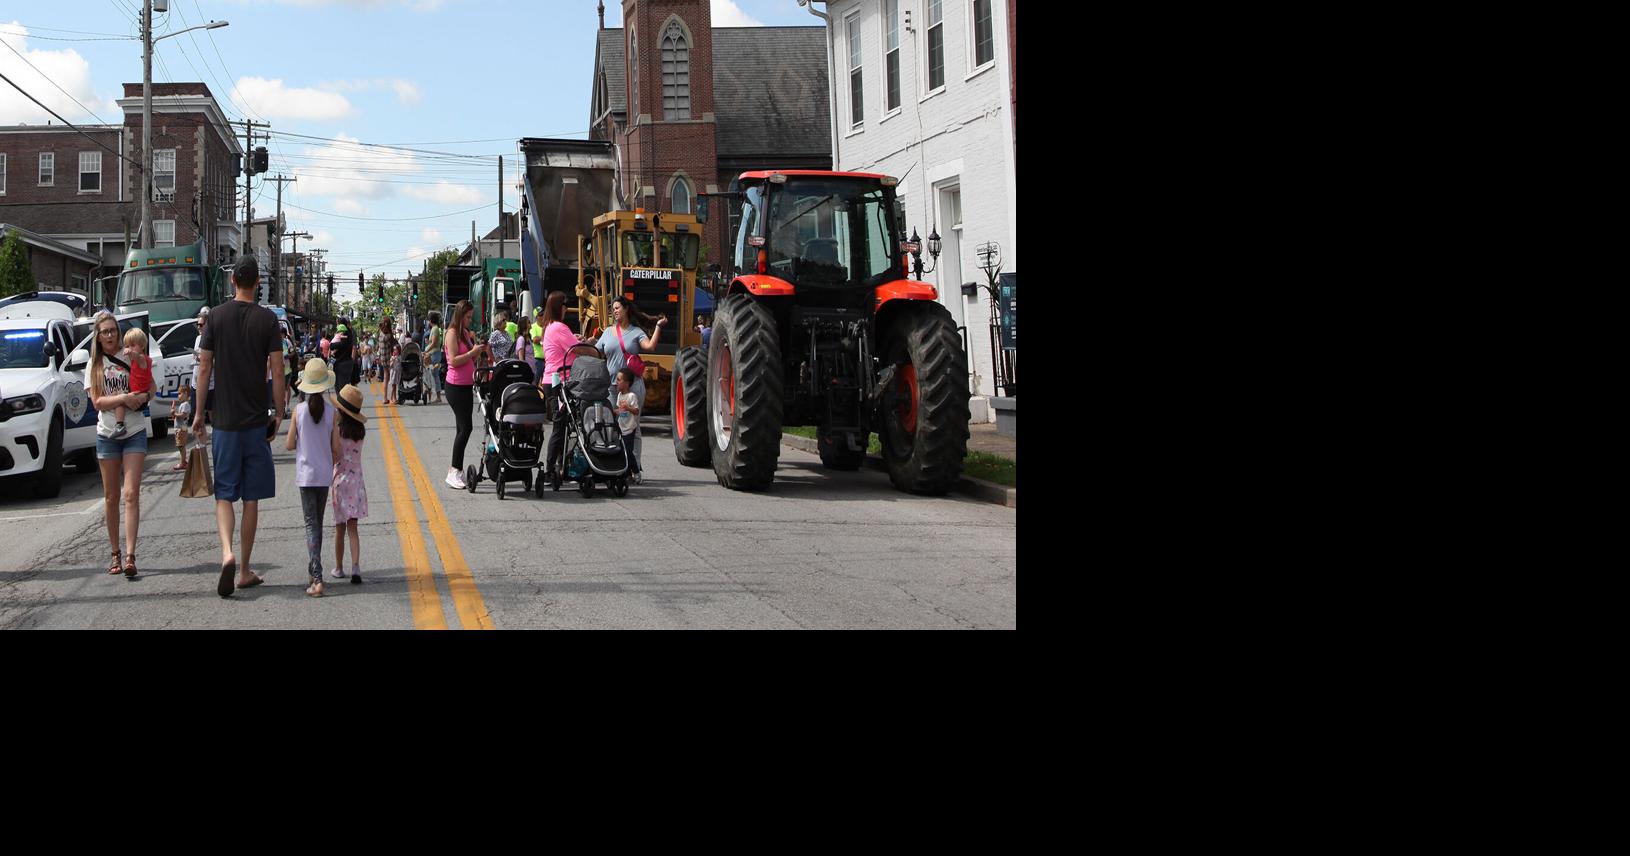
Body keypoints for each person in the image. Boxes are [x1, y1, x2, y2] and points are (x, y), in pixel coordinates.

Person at [192, 256, 286, 599]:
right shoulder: (268, 320)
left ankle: (226, 553)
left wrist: (200, 412)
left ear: (233, 281)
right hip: (255, 422)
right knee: (252, 498)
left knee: (224, 494)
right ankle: (244, 569)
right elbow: (277, 369)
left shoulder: (214, 317)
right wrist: (278, 412)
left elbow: (204, 370)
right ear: (257, 282)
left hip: (225, 422)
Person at [86, 310, 150, 578]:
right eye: (106, 332)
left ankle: (131, 555)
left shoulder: (130, 355)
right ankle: (115, 552)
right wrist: (125, 397)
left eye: (114, 330)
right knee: (111, 496)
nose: (111, 335)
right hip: (107, 434)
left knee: (131, 494)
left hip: (134, 430)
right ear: (98, 337)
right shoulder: (94, 365)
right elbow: (98, 402)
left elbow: (151, 387)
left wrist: (141, 397)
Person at [596, 296, 667, 477]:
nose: (615, 311)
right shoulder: (608, 332)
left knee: (632, 426)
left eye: (618, 307)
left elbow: (650, 347)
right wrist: (585, 341)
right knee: (612, 424)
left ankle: (634, 467)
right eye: (613, 309)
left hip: (632, 388)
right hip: (612, 388)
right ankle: (616, 463)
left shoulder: (636, 332)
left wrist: (658, 327)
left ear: (626, 309)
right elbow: (596, 350)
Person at [285, 358, 339, 598]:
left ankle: (317, 577)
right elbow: (336, 450)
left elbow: (288, 445)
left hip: (306, 475)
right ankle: (313, 568)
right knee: (317, 522)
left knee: (311, 524)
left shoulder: (299, 411)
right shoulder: (332, 412)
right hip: (324, 474)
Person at [539, 291, 585, 479]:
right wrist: (592, 348)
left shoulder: (548, 326)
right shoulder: (559, 327)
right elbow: (576, 349)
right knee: (562, 426)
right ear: (560, 307)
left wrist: (576, 340)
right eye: (565, 305)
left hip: (552, 380)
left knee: (564, 425)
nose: (567, 309)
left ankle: (560, 465)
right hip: (561, 381)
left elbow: (569, 345)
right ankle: (551, 469)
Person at [442, 300, 488, 489]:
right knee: (465, 428)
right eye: (468, 317)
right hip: (455, 386)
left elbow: (471, 356)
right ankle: (454, 470)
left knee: (462, 428)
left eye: (471, 317)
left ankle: (455, 471)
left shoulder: (465, 334)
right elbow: (453, 360)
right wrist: (472, 353)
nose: (470, 320)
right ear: (460, 316)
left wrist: (479, 350)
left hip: (466, 384)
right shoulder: (452, 333)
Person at [328, 383, 369, 584]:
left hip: (340, 482)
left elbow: (335, 456)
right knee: (353, 528)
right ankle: (356, 566)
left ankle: (338, 567)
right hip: (356, 482)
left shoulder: (338, 431)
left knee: (339, 528)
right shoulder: (360, 433)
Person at [112, 327, 153, 439]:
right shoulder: (137, 359)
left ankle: (119, 425)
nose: (129, 348)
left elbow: (137, 357)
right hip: (137, 392)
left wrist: (130, 352)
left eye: (133, 345)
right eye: (127, 346)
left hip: (139, 395)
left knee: (118, 400)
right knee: (119, 397)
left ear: (142, 346)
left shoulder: (142, 359)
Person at [615, 367, 643, 483]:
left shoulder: (632, 396)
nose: (616, 382)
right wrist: (613, 411)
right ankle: (626, 474)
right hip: (622, 427)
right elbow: (620, 411)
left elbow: (636, 411)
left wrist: (628, 408)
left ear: (626, 383)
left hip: (630, 429)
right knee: (622, 452)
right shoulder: (620, 396)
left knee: (628, 452)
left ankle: (636, 472)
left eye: (618, 380)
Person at [171, 382, 194, 471]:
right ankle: (183, 461)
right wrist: (174, 414)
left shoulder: (185, 405)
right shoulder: (183, 404)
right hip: (179, 428)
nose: (178, 396)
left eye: (180, 393)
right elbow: (179, 416)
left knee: (181, 446)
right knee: (180, 446)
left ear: (185, 394)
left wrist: (175, 414)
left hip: (181, 429)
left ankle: (183, 463)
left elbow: (183, 415)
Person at [425, 311, 445, 403]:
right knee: (433, 375)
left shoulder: (435, 329)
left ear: (431, 320)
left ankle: (438, 396)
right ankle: (437, 395)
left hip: (434, 355)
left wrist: (426, 350)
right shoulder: (435, 329)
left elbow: (433, 343)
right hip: (433, 354)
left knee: (434, 375)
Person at [330, 322, 356, 389]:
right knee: (342, 385)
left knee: (341, 386)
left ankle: (342, 398)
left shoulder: (346, 335)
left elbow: (334, 345)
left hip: (342, 363)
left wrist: (332, 346)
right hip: (346, 362)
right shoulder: (350, 334)